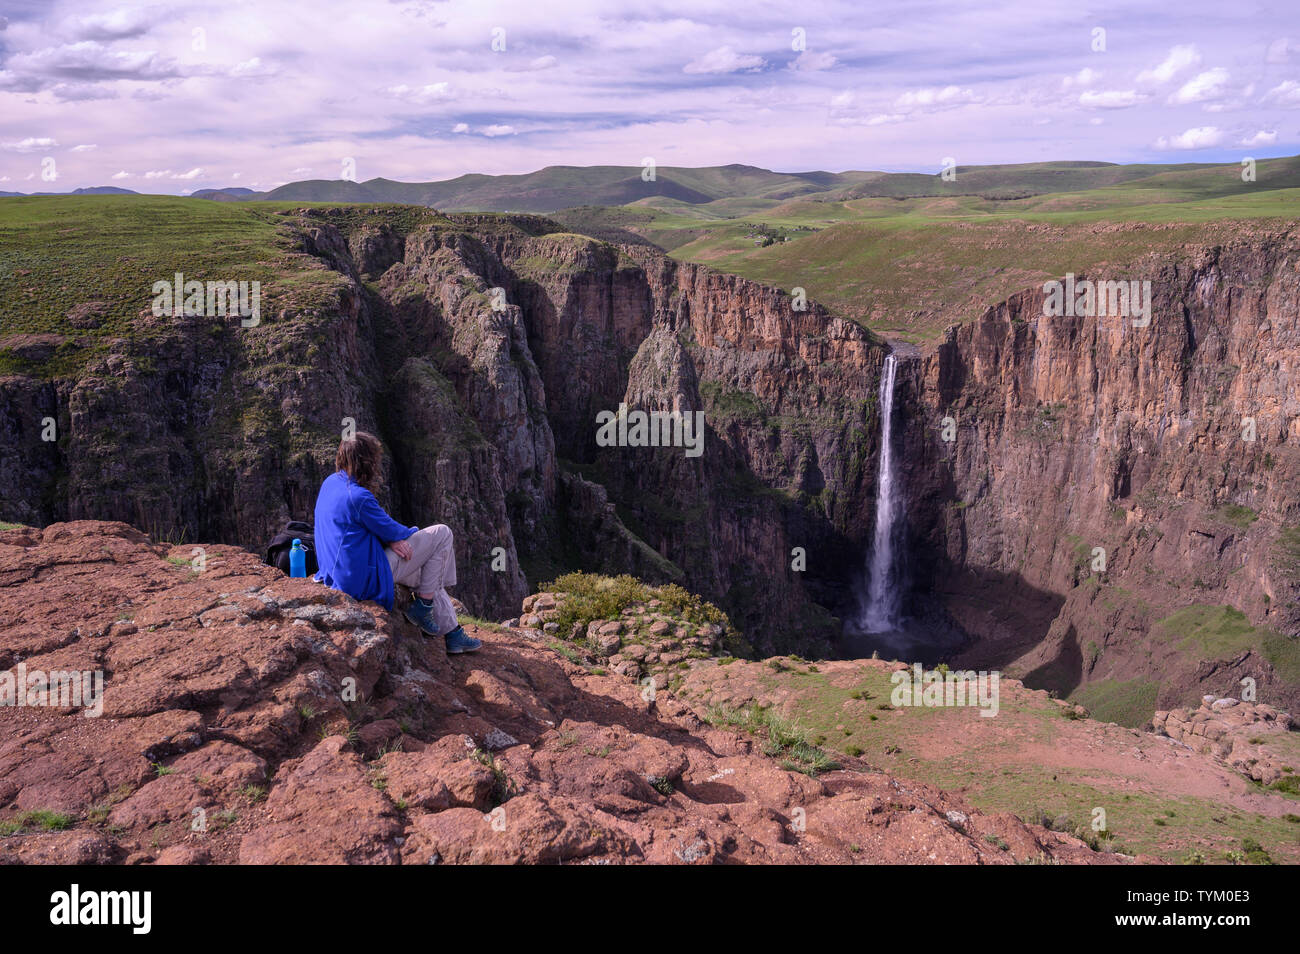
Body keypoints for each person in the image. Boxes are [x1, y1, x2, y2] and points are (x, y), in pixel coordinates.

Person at [312, 431, 481, 654]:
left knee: (431, 572)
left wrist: (392, 539)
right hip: (362, 580)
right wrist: (397, 537)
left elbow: (368, 526)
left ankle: (452, 634)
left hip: (341, 572)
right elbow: (394, 529)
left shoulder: (330, 483)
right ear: (366, 462)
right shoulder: (358, 497)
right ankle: (423, 608)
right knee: (442, 534)